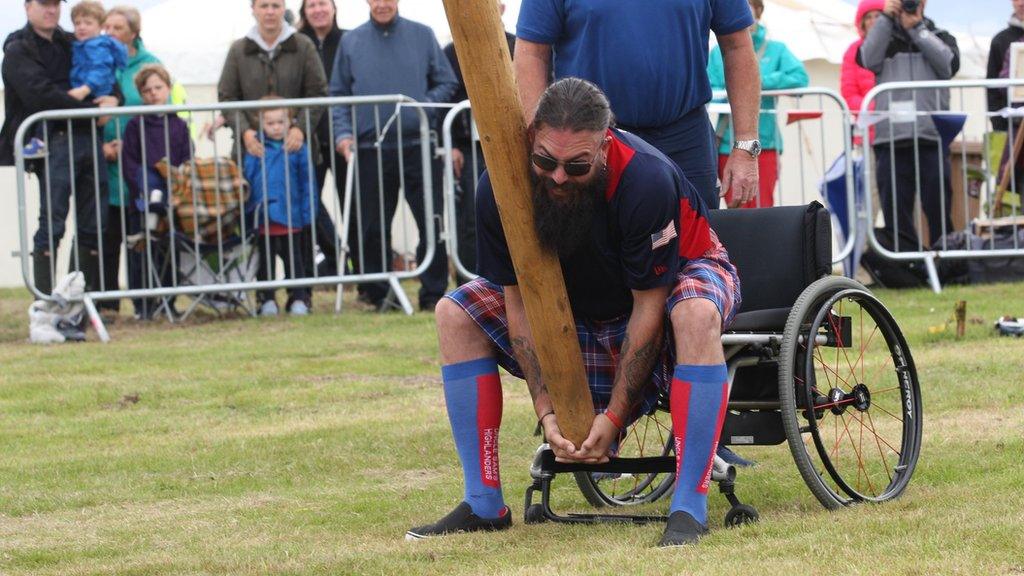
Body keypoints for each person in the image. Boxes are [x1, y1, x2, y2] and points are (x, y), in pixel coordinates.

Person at [405, 79, 740, 547]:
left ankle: (689, 506)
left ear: (604, 146)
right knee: (454, 313)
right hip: (578, 294)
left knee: (695, 313)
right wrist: (547, 411)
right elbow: (518, 301)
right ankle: (483, 502)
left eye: (577, 166)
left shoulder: (645, 179)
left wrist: (615, 417)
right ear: (531, 137)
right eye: (545, 161)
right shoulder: (499, 187)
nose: (558, 177)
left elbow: (649, 305)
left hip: (680, 273)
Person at [514, 0, 762, 210]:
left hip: (686, 140)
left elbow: (737, 46)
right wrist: (539, 139)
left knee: (697, 256)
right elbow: (531, 52)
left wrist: (746, 146)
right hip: (592, 143)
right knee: (594, 258)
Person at [330, 0, 458, 311]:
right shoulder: (351, 41)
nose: (383, 3)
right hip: (371, 148)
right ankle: (380, 295)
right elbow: (338, 94)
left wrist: (419, 106)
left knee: (431, 220)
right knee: (373, 225)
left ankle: (433, 294)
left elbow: (447, 82)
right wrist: (343, 133)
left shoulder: (423, 35)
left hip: (418, 145)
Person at [0, 0, 120, 299]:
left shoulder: (74, 42)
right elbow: (40, 96)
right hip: (51, 142)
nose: (51, 10)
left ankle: (75, 300)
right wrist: (91, 106)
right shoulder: (18, 49)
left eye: (55, 4)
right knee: (52, 223)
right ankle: (46, 303)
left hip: (88, 138)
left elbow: (104, 73)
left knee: (93, 223)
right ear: (28, 7)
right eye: (44, 4)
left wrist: (115, 99)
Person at [218, 0, 328, 293]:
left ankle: (300, 294)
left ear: (284, 9)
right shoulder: (239, 49)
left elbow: (318, 92)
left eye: (275, 5)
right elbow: (227, 97)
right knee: (258, 227)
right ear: (253, 9)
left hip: (295, 152)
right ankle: (262, 293)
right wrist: (245, 132)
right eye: (264, 5)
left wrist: (300, 129)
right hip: (253, 154)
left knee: (301, 230)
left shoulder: (303, 46)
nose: (269, 11)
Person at [858, 0, 959, 248]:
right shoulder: (883, 35)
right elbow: (867, 59)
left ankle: (944, 261)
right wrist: (885, 18)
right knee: (896, 209)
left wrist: (917, 28)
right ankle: (907, 266)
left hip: (931, 136)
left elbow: (948, 65)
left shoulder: (939, 35)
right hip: (890, 138)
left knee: (938, 205)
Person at [98, 5, 167, 317]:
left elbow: (160, 109)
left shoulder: (150, 64)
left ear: (133, 33)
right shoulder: (96, 62)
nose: (110, 33)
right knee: (107, 234)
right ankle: (108, 304)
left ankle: (147, 303)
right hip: (106, 163)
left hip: (141, 165)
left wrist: (131, 145)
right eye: (106, 27)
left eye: (117, 28)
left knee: (142, 235)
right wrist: (102, 145)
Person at [708, 0, 808, 209]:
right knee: (734, 207)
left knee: (762, 207)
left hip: (765, 143)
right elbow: (710, 86)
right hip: (726, 141)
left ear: (758, 11)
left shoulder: (777, 49)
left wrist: (754, 82)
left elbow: (800, 76)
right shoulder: (717, 52)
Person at [441, 1, 516, 278]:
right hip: (470, 148)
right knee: (473, 213)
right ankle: (472, 279)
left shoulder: (519, 46)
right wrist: (451, 146)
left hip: (515, 146)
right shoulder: (451, 52)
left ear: (501, 8)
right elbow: (446, 99)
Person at [119, 64, 193, 319]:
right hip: (142, 199)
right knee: (140, 249)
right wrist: (141, 189)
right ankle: (143, 304)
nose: (153, 93)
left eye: (158, 88)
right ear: (141, 94)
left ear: (168, 89)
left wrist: (178, 190)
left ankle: (168, 300)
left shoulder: (179, 126)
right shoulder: (134, 126)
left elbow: (187, 160)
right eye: (147, 90)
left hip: (172, 198)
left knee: (169, 249)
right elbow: (128, 163)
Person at [244, 101, 315, 317]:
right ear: (261, 124)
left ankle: (299, 297)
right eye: (270, 123)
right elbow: (248, 179)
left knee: (295, 261)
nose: (275, 127)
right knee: (265, 262)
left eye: (280, 122)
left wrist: (308, 212)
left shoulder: (298, 149)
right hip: (264, 216)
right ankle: (266, 299)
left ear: (290, 122)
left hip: (291, 216)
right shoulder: (255, 149)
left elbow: (307, 182)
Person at [298, 0, 347, 278]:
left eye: (323, 4)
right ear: (304, 11)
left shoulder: (350, 40)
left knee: (352, 204)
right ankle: (334, 255)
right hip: (307, 139)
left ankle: (358, 268)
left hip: (343, 137)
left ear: (334, 8)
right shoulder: (296, 43)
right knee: (311, 203)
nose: (318, 10)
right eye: (312, 5)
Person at [68, 1, 127, 101]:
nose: (82, 27)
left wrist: (85, 89)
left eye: (88, 23)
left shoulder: (98, 46)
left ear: (101, 26)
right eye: (77, 23)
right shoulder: (82, 45)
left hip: (95, 93)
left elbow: (101, 69)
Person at [842, 0, 886, 133]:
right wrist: (878, 109)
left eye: (878, 16)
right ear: (862, 22)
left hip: (898, 131)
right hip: (867, 131)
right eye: (868, 17)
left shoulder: (898, 45)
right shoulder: (853, 51)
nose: (873, 21)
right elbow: (849, 94)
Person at [987, 0, 1024, 133]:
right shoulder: (1000, 40)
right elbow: (992, 86)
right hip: (1011, 126)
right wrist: (998, 124)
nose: (1021, 3)